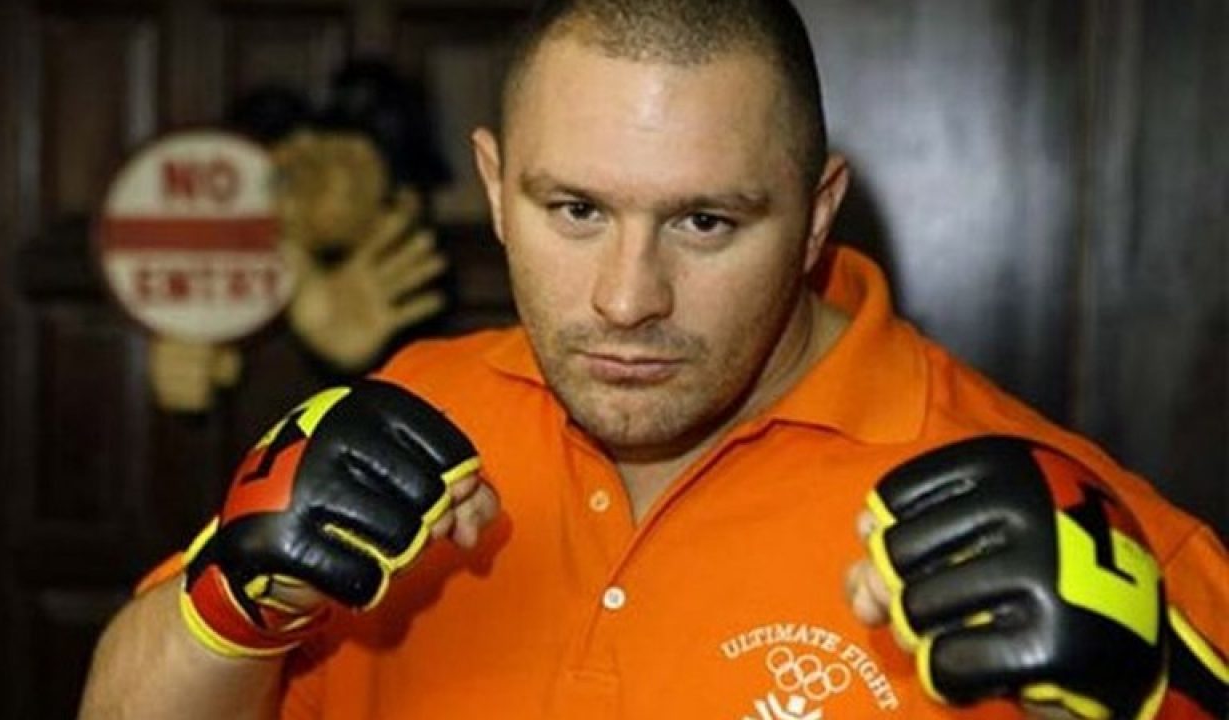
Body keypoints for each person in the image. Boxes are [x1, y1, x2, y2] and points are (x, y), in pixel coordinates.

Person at [79, 1, 1227, 718]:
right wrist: (230, 608)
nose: (627, 299)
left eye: (705, 222)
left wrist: (1160, 703)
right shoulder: (413, 413)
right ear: (494, 188)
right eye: (575, 210)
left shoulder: (1078, 529)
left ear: (816, 215)